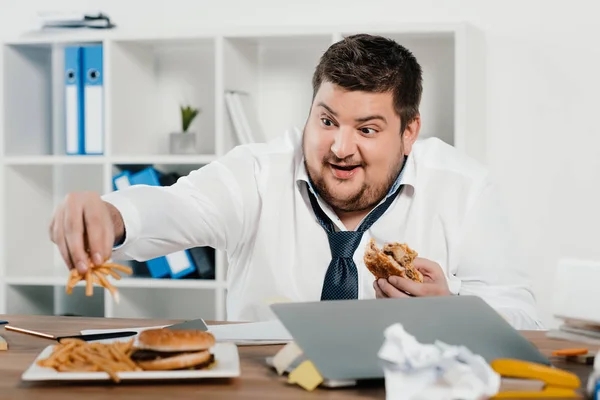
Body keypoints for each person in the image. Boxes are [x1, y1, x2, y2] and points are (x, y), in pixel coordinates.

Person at [49, 34, 543, 329]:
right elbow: (177, 207)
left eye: (367, 130)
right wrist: (110, 217)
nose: (340, 147)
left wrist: (453, 311)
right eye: (326, 121)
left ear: (409, 131)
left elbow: (522, 315)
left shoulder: (464, 187)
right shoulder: (259, 171)